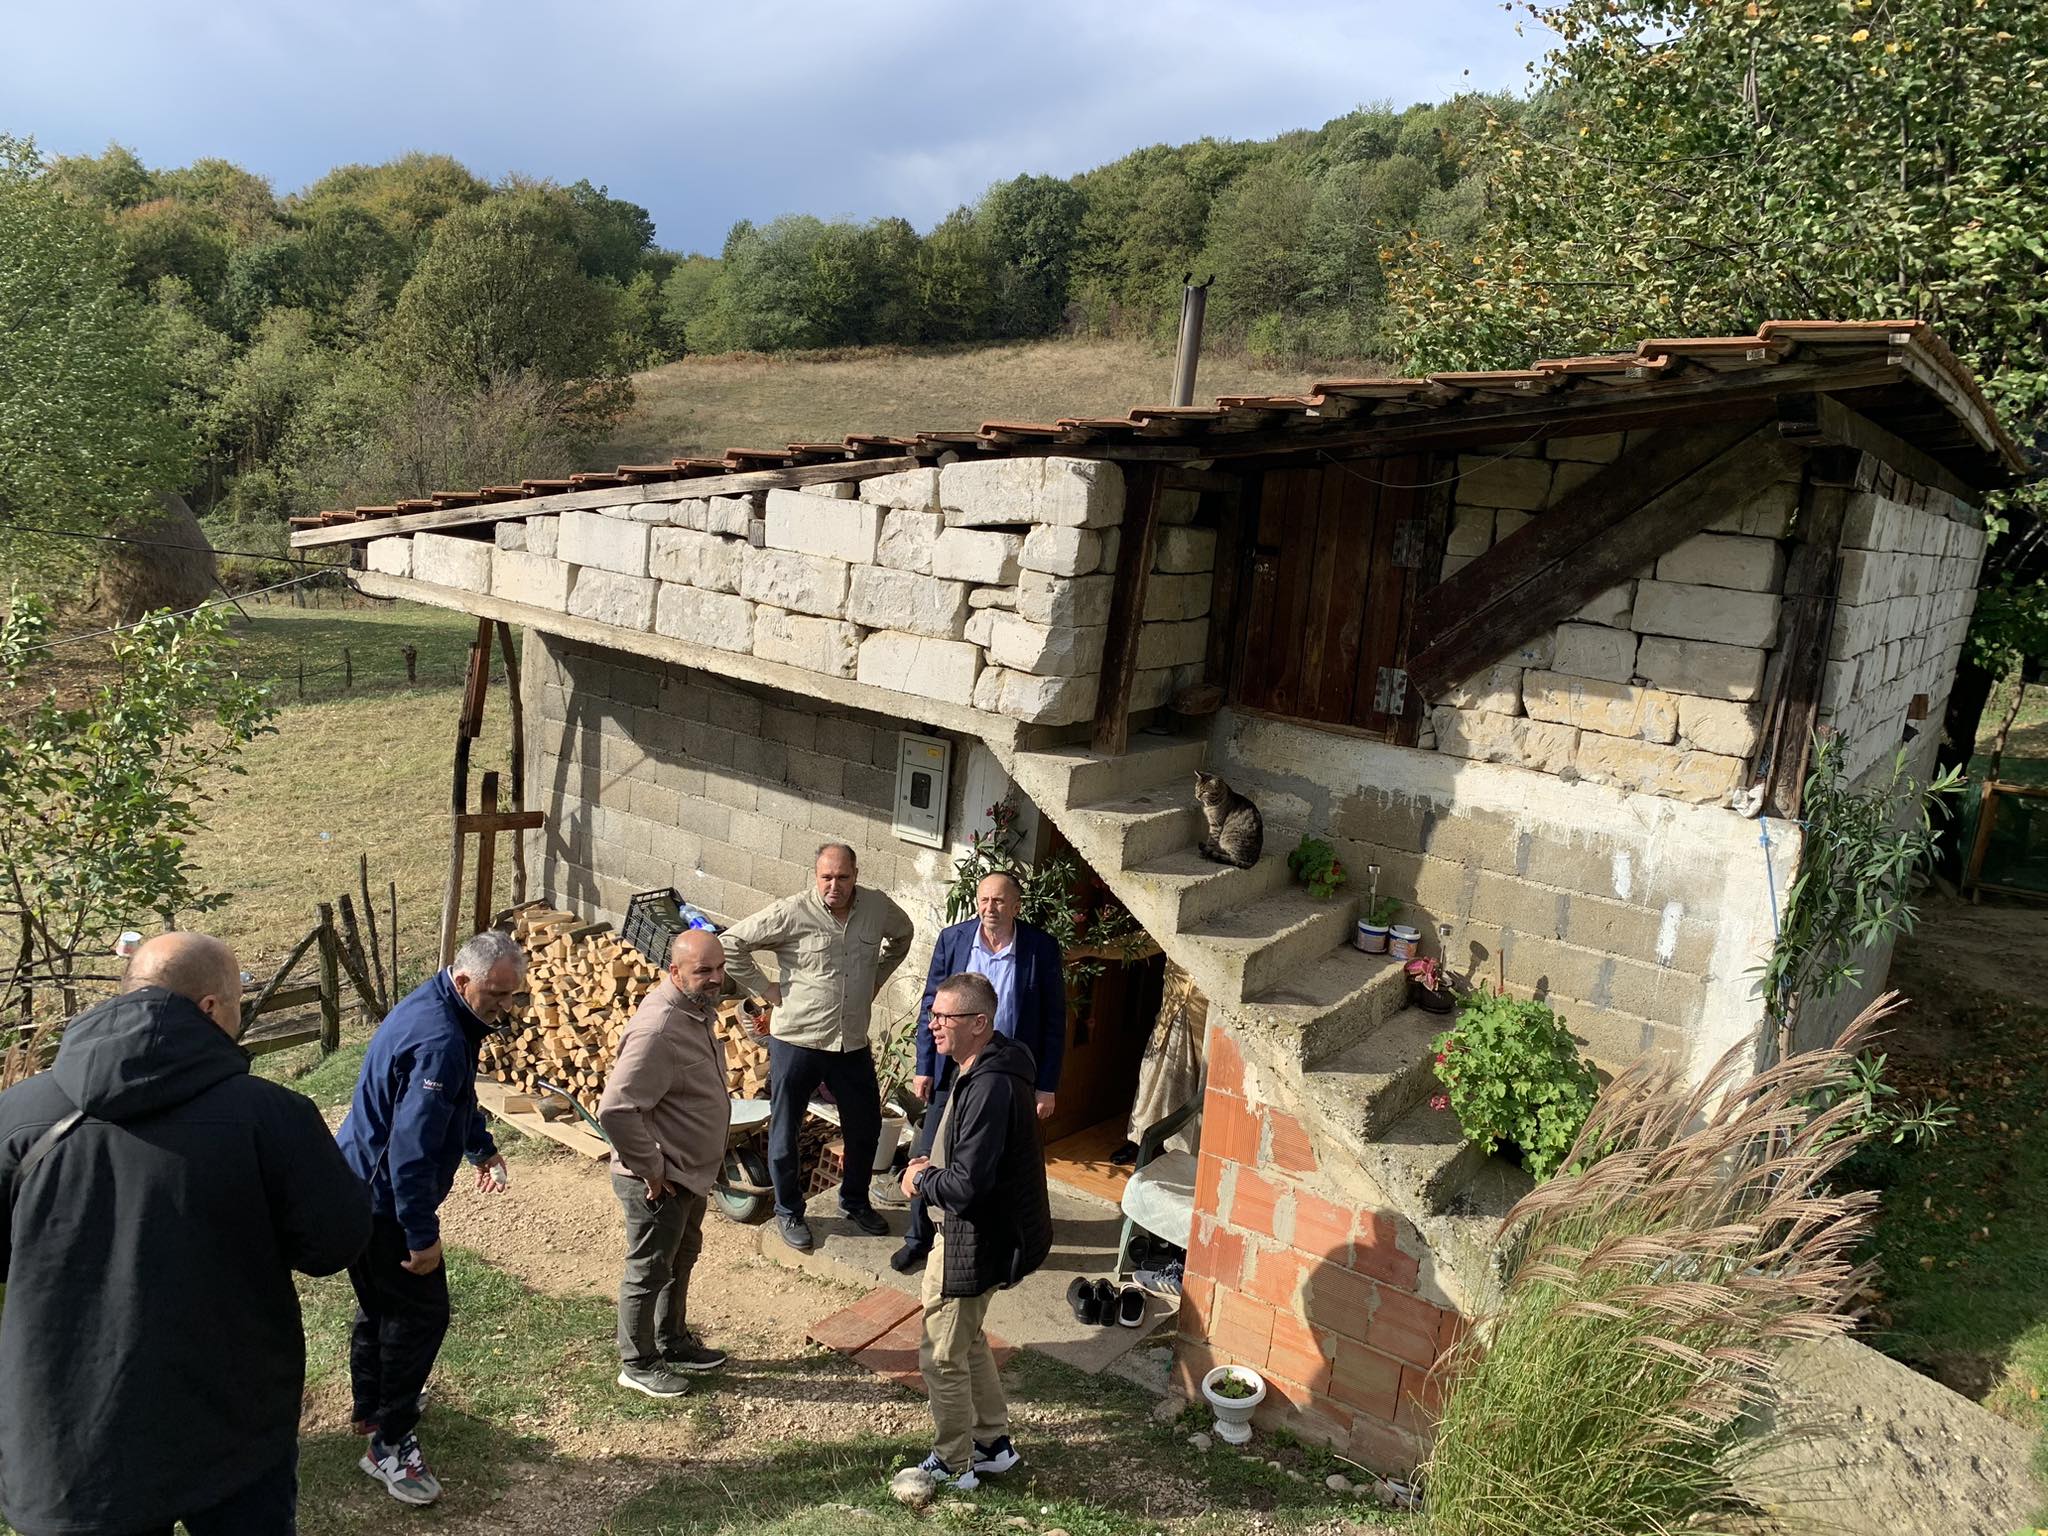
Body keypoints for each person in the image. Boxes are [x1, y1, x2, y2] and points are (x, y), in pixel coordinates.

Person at [0, 932, 371, 1536]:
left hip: (73, 1436)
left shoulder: (17, 1115)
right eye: (238, 1006)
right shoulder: (270, 1115)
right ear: (210, 1008)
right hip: (232, 1426)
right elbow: (335, 1244)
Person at [335, 929, 520, 1506]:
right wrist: (420, 1234)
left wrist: (479, 1146)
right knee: (420, 1316)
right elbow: (409, 1152)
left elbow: (455, 1098)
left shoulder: (444, 1008)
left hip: (355, 1186)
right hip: (383, 1201)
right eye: (497, 994)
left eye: (513, 994)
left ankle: (372, 1408)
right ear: (464, 980)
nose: (505, 1007)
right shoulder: (440, 1039)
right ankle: (389, 1445)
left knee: (382, 1305)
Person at [897, 971, 1053, 1492]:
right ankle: (992, 1444)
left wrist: (922, 1180)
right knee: (967, 1339)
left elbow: (967, 1187)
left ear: (980, 1023)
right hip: (988, 1233)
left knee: (941, 1354)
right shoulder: (987, 1064)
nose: (933, 1025)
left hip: (972, 1239)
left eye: (945, 1017)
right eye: (933, 1014)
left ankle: (953, 1463)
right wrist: (931, 1164)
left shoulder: (989, 1085)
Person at [721, 842, 915, 1253]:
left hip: (851, 1043)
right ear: (816, 876)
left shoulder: (877, 907)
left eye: (843, 877)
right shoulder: (792, 912)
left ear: (856, 875)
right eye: (826, 877)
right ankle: (789, 1211)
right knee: (785, 1131)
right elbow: (731, 943)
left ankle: (855, 1201)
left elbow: (903, 936)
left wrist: (876, 979)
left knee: (865, 1127)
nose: (834, 885)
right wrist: (767, 989)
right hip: (797, 1041)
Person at [892, 869, 1065, 1274]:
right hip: (953, 1067)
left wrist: (1046, 1085)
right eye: (984, 899)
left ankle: (1005, 1237)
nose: (990, 908)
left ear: (1016, 906)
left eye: (1000, 900)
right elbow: (930, 1006)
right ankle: (918, 1239)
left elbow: (1054, 1020)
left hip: (1008, 1073)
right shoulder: (954, 940)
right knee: (930, 1149)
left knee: (1001, 1157)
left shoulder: (1039, 948)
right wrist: (924, 1065)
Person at [598, 929, 733, 1398]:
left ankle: (671, 1341)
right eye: (703, 970)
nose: (716, 978)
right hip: (661, 1179)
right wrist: (651, 1168)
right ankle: (637, 1363)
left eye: (720, 968)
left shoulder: (696, 1010)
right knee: (650, 1268)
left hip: (689, 1174)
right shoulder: (658, 1029)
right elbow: (616, 1109)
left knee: (681, 1257)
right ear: (674, 972)